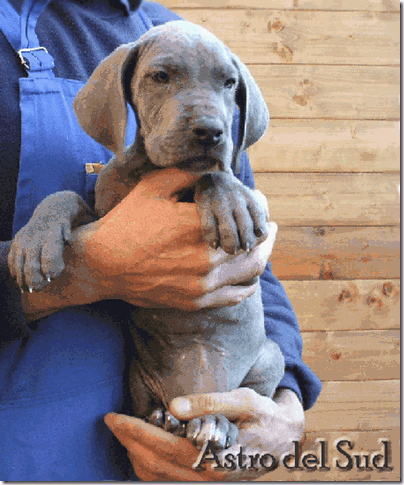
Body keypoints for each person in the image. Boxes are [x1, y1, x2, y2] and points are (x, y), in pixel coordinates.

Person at [0, 0, 322, 480]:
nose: (208, 118)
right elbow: (91, 215)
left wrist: (282, 409)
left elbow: (253, 257)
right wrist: (87, 270)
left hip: (171, 438)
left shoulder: (171, 29)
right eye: (162, 78)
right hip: (27, 448)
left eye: (224, 86)